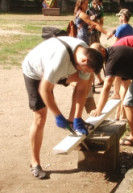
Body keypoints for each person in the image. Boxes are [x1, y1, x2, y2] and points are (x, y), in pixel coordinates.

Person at [22, 36, 103, 179]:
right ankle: (34, 162)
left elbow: (82, 89)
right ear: (83, 60)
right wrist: (58, 116)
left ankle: (73, 121)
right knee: (41, 115)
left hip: (56, 70)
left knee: (84, 80)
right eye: (86, 69)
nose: (87, 72)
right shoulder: (60, 60)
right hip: (35, 72)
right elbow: (44, 90)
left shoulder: (85, 54)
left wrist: (77, 117)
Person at [90, 43, 133, 146]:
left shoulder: (112, 60)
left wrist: (99, 109)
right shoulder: (111, 53)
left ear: (102, 51)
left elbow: (106, 87)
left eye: (97, 57)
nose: (96, 61)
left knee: (128, 104)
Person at [87, 0, 104, 86]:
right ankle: (90, 79)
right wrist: (90, 22)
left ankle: (99, 78)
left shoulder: (100, 8)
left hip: (96, 33)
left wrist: (96, 23)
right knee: (88, 56)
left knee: (96, 55)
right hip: (87, 34)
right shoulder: (87, 6)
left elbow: (101, 22)